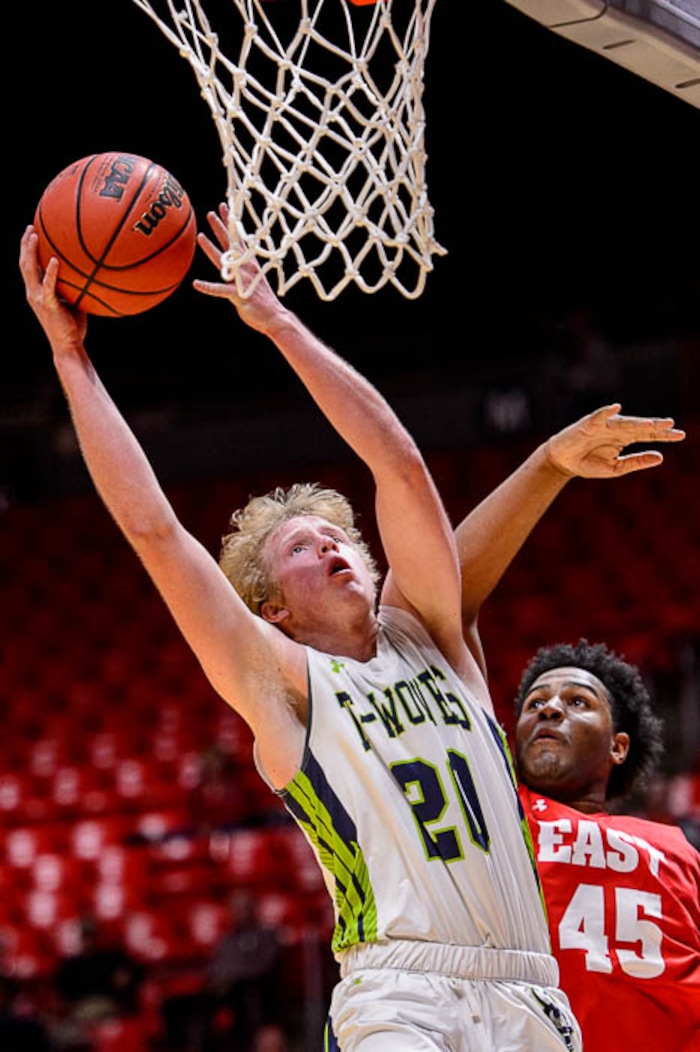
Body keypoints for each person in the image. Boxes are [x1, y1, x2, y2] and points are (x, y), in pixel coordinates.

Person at [20, 207, 581, 1052]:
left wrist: (278, 321)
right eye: (300, 547)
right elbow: (155, 532)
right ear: (272, 607)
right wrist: (71, 357)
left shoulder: (435, 635)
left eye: (338, 535)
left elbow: (398, 462)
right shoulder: (279, 679)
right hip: (401, 992)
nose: (330, 543)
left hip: (533, 990)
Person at [455, 406, 700, 1052]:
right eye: (535, 701)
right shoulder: (500, 811)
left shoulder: (682, 851)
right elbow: (443, 602)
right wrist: (547, 467)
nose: (549, 708)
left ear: (619, 745)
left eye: (577, 700)